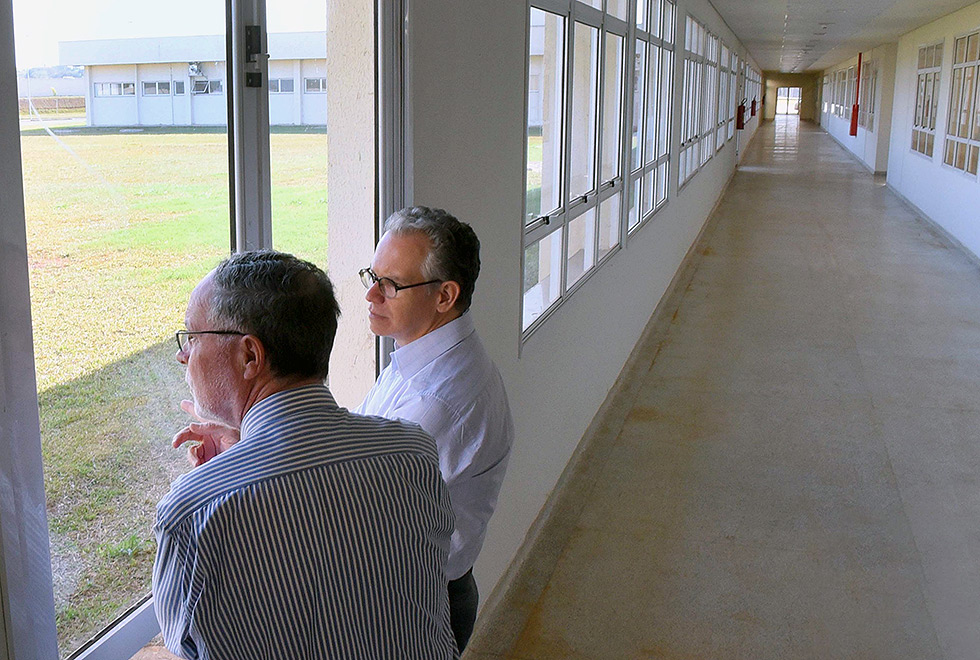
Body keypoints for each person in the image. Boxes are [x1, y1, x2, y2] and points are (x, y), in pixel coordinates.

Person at [154, 250, 458, 659]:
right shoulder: (414, 453)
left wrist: (221, 478)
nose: (182, 355)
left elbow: (189, 648)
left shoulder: (192, 512)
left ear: (249, 356)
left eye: (192, 337)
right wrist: (239, 455)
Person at [356, 206, 514, 652]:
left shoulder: (437, 404)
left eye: (390, 285)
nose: (371, 296)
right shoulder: (420, 353)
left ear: (445, 296)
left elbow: (348, 505)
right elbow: (360, 438)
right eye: (372, 276)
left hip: (416, 605)